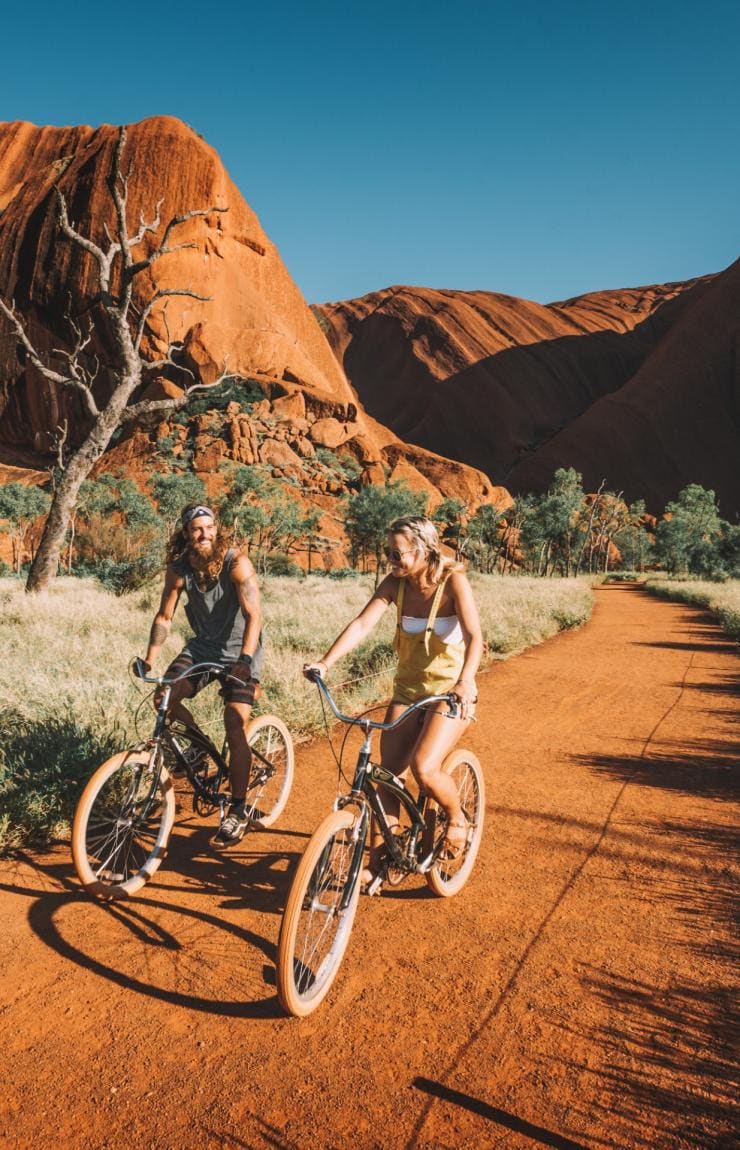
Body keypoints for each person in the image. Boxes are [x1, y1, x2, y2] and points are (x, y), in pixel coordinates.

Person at [303, 515, 483, 884]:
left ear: (423, 550)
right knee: (386, 775)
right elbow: (362, 624)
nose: (390, 559)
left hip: (450, 692)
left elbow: (476, 638)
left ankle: (457, 819)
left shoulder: (454, 583)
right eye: (387, 552)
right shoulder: (396, 584)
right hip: (408, 690)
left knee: (425, 769)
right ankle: (382, 859)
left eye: (396, 552)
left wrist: (466, 681)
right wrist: (325, 662)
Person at [138, 503, 263, 847]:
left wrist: (246, 660)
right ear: (186, 533)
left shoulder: (236, 563)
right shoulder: (179, 570)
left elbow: (254, 615)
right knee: (164, 697)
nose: (204, 534)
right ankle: (196, 750)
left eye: (209, 527)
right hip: (203, 649)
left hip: (240, 651)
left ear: (217, 528)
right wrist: (149, 659)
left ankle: (238, 810)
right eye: (196, 529)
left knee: (234, 723)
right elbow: (164, 616)